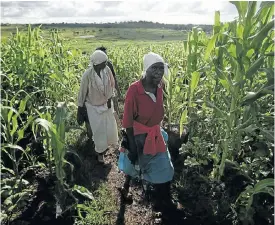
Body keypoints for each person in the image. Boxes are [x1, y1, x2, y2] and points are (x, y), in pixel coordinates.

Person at [118, 52, 182, 215]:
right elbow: (127, 121)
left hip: (155, 134)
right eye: (154, 68)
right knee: (133, 167)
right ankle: (126, 190)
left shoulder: (160, 87)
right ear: (146, 69)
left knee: (165, 166)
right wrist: (132, 146)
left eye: (161, 69)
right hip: (139, 137)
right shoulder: (134, 90)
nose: (159, 72)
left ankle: (165, 200)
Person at [77, 50, 119, 163]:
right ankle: (100, 154)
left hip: (106, 104)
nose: (106, 64)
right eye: (104, 62)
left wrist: (110, 100)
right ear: (96, 64)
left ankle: (108, 147)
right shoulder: (87, 75)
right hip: (93, 107)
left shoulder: (107, 70)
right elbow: (82, 92)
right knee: (98, 131)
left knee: (110, 128)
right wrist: (80, 109)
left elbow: (111, 84)